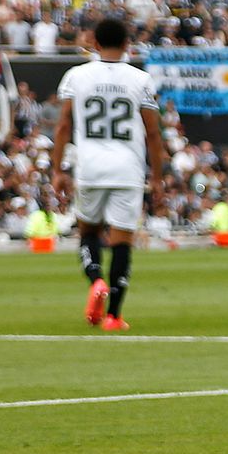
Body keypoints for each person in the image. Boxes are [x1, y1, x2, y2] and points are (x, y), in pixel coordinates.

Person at [49, 17, 164, 332]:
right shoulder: (140, 80)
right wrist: (157, 177)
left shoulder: (77, 76)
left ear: (94, 43)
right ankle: (113, 316)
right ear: (128, 45)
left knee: (88, 231)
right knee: (123, 241)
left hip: (90, 166)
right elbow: (153, 134)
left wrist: (58, 169)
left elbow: (63, 126)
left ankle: (96, 278)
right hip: (128, 169)